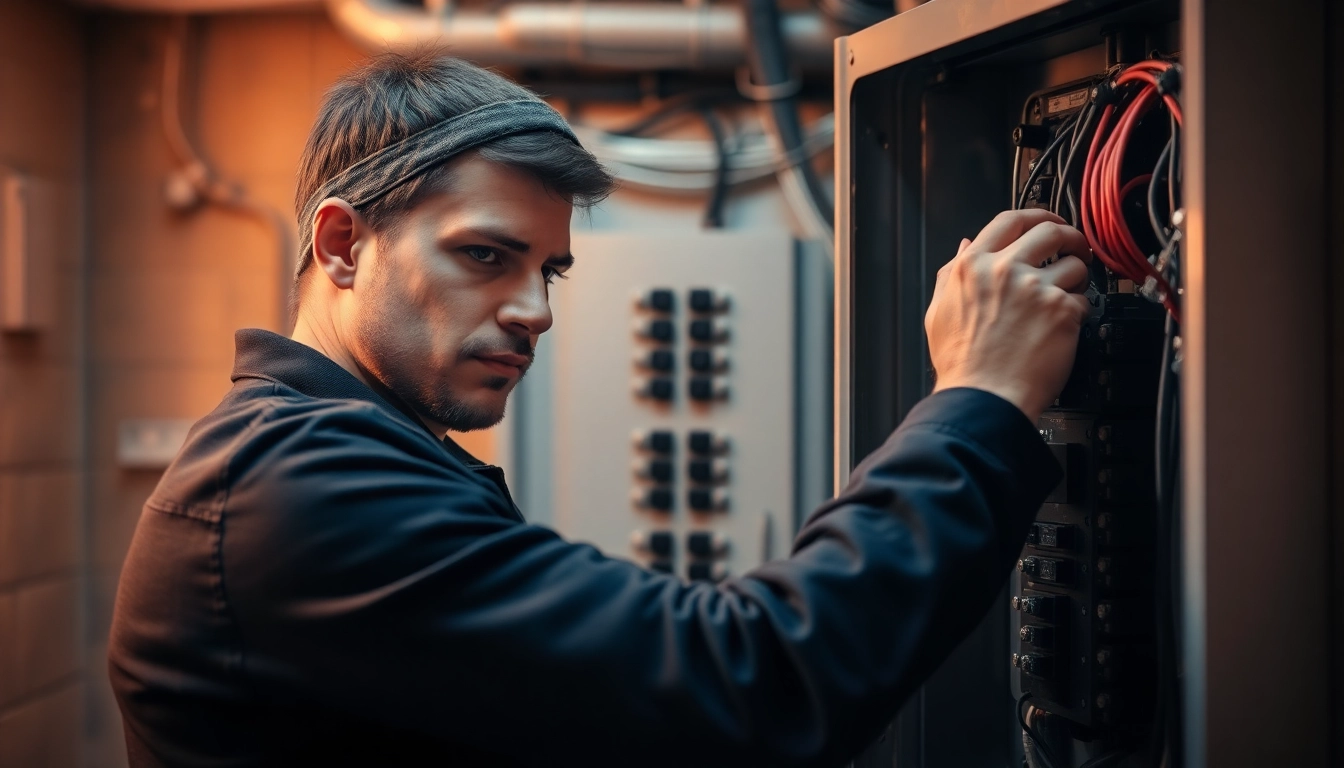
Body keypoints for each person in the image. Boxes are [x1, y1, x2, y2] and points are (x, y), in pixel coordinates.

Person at [108, 53, 1092, 768]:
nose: (535, 311)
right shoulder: (297, 488)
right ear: (340, 246)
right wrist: (981, 397)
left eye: (551, 271)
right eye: (485, 257)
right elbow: (746, 687)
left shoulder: (329, 454)